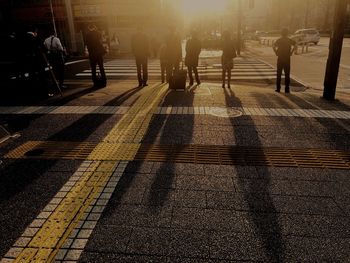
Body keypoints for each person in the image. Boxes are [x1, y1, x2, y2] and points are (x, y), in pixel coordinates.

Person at [272, 28, 297, 93]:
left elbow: (273, 46)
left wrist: (276, 52)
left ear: (281, 33)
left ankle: (278, 88)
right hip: (287, 59)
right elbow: (296, 45)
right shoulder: (289, 40)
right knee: (287, 74)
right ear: (287, 33)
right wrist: (291, 52)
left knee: (279, 74)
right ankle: (287, 89)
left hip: (280, 58)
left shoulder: (279, 40)